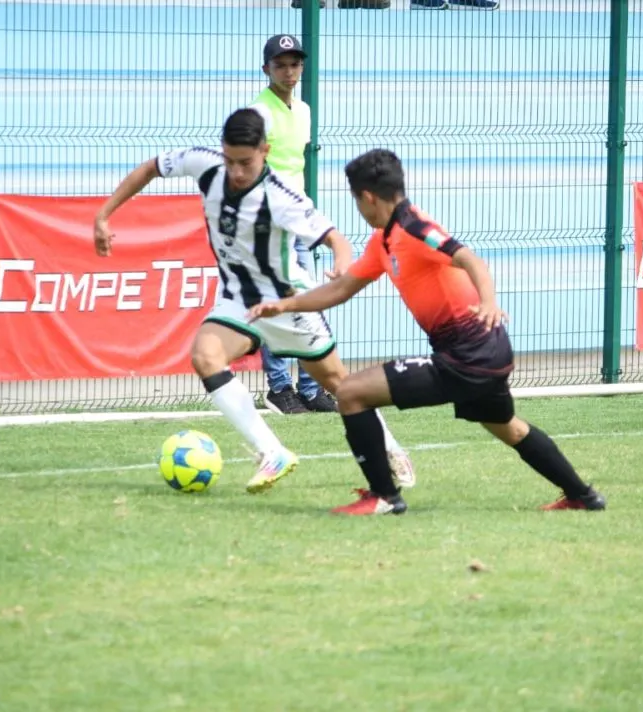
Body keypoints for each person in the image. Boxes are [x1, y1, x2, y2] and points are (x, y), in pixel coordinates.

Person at [248, 149, 606, 515]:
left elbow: (469, 258)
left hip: (470, 354)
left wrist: (489, 302)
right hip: (485, 352)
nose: (358, 209)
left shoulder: (414, 228)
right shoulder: (383, 240)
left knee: (352, 392)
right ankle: (583, 496)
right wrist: (286, 305)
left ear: (367, 197)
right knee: (508, 427)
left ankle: (384, 495)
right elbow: (340, 290)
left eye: (356, 201)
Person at [93, 110, 416, 493]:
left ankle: (392, 450)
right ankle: (271, 452)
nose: (237, 172)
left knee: (341, 386)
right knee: (205, 356)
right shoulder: (204, 165)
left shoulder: (280, 196)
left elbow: (334, 237)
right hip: (237, 300)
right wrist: (104, 214)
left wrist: (341, 263)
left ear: (266, 150)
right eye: (230, 160)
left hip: (286, 302)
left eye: (246, 162)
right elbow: (150, 168)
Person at [249, 34, 336, 415]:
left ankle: (312, 389)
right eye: (281, 64)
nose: (289, 71)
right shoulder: (256, 113)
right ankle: (279, 387)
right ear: (266, 68)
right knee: (279, 303)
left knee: (309, 302)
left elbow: (295, 165)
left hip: (298, 220)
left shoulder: (303, 110)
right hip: (269, 222)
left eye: (295, 64)